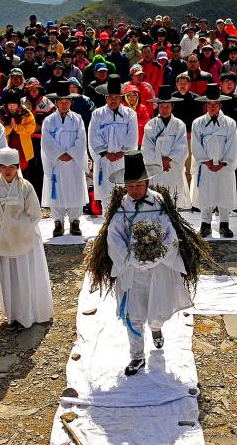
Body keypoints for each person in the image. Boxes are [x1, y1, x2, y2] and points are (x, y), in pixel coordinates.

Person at [86, 151, 201, 376]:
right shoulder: (121, 205)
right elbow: (113, 235)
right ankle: (137, 356)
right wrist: (130, 258)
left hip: (158, 268)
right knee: (133, 313)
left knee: (156, 306)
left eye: (139, 185)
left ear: (147, 182)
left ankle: (156, 328)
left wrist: (157, 255)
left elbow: (170, 233)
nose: (134, 190)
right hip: (131, 270)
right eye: (130, 185)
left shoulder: (159, 201)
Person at [0, 148, 53, 328]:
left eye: (12, 167)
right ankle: (14, 315)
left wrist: (16, 228)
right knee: (9, 278)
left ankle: (31, 313)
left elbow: (34, 215)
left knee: (26, 275)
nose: (8, 171)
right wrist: (2, 230)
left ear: (17, 167)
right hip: (4, 241)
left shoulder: (26, 187)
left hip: (25, 241)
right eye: (4, 167)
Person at [191, 84, 237, 238]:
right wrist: (205, 161)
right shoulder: (197, 123)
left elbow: (233, 145)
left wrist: (224, 162)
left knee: (224, 192)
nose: (212, 107)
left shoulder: (230, 123)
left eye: (215, 104)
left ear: (220, 104)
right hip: (206, 166)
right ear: (206, 105)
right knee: (205, 193)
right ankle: (205, 224)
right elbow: (195, 145)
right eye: (209, 104)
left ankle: (224, 224)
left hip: (223, 166)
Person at [41, 81, 88, 237]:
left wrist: (72, 154)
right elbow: (46, 142)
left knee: (75, 189)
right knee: (57, 190)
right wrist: (59, 154)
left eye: (67, 101)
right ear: (56, 103)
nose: (64, 105)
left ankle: (75, 221)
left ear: (71, 102)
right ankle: (58, 222)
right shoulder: (48, 121)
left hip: (73, 162)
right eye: (61, 102)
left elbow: (81, 140)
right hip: (56, 162)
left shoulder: (78, 119)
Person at [89, 75, 138, 210]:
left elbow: (132, 136)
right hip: (105, 160)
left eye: (116, 96)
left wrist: (123, 152)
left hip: (123, 161)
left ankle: (123, 226)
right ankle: (108, 226)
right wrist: (105, 153)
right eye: (110, 96)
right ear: (105, 97)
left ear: (121, 97)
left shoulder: (130, 114)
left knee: (124, 195)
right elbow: (93, 136)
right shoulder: (97, 114)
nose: (113, 99)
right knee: (106, 195)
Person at [141, 85, 191, 210]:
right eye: (162, 106)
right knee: (156, 201)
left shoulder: (179, 125)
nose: (164, 109)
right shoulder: (150, 125)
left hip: (173, 167)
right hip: (156, 167)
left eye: (167, 106)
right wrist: (160, 162)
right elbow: (147, 148)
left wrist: (168, 160)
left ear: (172, 106)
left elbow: (182, 146)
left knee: (174, 199)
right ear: (158, 106)